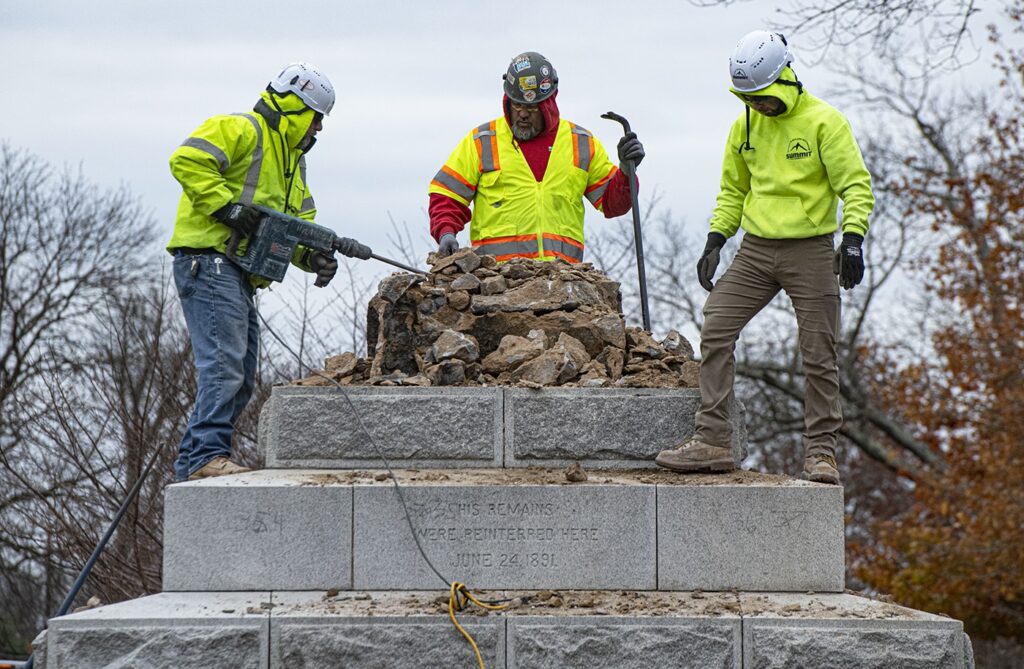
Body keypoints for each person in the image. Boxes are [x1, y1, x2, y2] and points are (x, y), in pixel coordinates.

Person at [655, 31, 875, 485]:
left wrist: (853, 238)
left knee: (819, 352)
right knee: (716, 325)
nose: (757, 105)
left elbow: (855, 185)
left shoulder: (824, 122)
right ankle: (713, 440)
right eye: (748, 98)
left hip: (811, 250)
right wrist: (716, 239)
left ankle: (821, 454)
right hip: (755, 250)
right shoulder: (745, 126)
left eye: (762, 96)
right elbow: (733, 189)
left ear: (784, 79)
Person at [167, 62, 341, 481]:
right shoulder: (241, 128)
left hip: (236, 273)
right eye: (316, 118)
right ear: (296, 108)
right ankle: (204, 456)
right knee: (224, 365)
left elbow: (296, 225)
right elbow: (187, 159)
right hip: (209, 261)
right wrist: (226, 207)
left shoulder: (291, 164)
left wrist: (311, 256)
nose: (318, 129)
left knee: (242, 375)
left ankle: (197, 461)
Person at [428, 51, 645, 262]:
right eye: (517, 104)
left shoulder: (581, 143)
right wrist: (446, 233)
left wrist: (626, 169)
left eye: (532, 107)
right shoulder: (482, 141)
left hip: (563, 280)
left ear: (549, 103)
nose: (522, 114)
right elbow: (446, 195)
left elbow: (613, 204)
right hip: (497, 281)